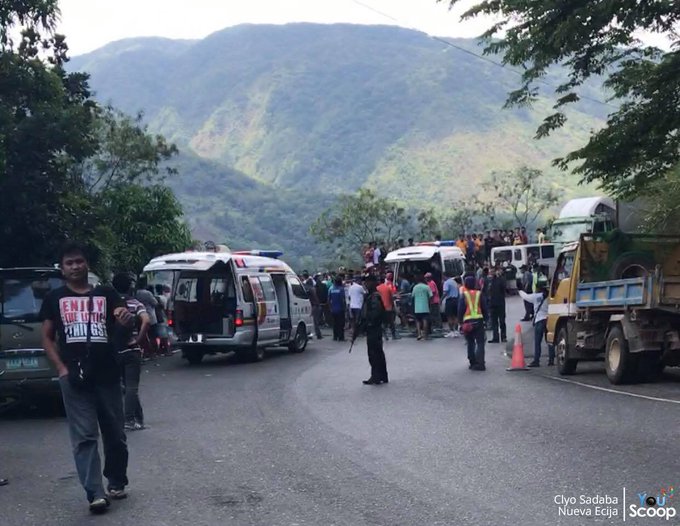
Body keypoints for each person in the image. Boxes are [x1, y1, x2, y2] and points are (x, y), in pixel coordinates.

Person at [40, 242, 134, 513]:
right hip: (74, 377)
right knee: (84, 437)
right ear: (62, 268)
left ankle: (116, 479)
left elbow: (121, 317)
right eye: (69, 263)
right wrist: (60, 367)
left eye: (79, 261)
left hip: (107, 373)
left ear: (87, 265)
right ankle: (95, 493)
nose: (75, 267)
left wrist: (124, 319)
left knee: (115, 433)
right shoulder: (54, 299)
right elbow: (46, 337)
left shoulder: (106, 294)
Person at [111, 273, 151, 431]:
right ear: (130, 287)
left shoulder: (110, 306)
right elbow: (146, 321)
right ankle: (129, 419)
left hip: (115, 350)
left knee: (123, 386)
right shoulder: (135, 304)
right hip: (131, 350)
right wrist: (139, 338)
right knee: (132, 387)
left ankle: (138, 419)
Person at [352, 275, 388, 385]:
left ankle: (376, 376)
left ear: (373, 283)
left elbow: (375, 313)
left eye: (367, 282)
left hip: (373, 328)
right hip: (373, 328)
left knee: (374, 353)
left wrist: (367, 323)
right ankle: (382, 376)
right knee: (378, 352)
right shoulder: (371, 296)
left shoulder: (374, 297)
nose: (365, 284)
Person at [519, 277, 554, 367]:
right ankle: (551, 360)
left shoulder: (536, 296)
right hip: (548, 319)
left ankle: (536, 361)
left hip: (539, 320)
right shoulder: (550, 296)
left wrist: (520, 290)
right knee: (549, 341)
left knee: (537, 342)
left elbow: (525, 297)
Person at [458, 275, 488, 371]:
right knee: (480, 343)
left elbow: (460, 310)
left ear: (465, 284)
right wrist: (486, 320)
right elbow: (484, 308)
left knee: (470, 342)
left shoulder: (464, 295)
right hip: (479, 320)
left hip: (467, 322)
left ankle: (472, 362)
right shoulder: (479, 294)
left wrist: (460, 323)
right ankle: (480, 363)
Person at [135, 277, 159, 358]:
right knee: (152, 336)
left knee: (143, 336)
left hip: (139, 316)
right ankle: (153, 352)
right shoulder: (147, 293)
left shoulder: (135, 293)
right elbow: (155, 303)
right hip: (150, 316)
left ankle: (145, 352)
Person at [487, 268, 507, 343]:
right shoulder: (488, 281)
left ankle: (503, 336)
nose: (491, 274)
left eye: (492, 272)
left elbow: (504, 288)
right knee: (494, 322)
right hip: (492, 304)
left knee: (502, 321)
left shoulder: (500, 280)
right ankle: (495, 337)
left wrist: (500, 276)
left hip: (500, 304)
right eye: (490, 272)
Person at [377, 273, 398, 340]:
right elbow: (391, 298)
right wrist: (393, 306)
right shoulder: (388, 288)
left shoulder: (377, 288)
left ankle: (385, 335)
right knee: (391, 322)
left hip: (381, 308)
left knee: (383, 322)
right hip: (389, 307)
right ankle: (393, 335)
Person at [411, 274, 433, 341]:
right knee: (425, 321)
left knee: (417, 321)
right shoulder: (426, 287)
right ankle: (425, 335)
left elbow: (412, 296)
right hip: (425, 307)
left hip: (417, 308)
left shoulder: (415, 287)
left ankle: (419, 334)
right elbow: (431, 296)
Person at [442, 272, 460, 338]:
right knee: (455, 316)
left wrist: (441, 300)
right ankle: (456, 331)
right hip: (456, 300)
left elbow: (445, 292)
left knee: (449, 316)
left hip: (450, 300)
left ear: (445, 276)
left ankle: (451, 331)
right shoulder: (454, 282)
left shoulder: (446, 283)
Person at [328, 276, 346, 341]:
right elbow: (343, 300)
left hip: (333, 309)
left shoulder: (331, 289)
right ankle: (341, 337)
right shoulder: (341, 289)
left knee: (335, 324)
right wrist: (344, 307)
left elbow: (329, 299)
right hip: (340, 309)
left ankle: (335, 337)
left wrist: (330, 308)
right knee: (341, 324)